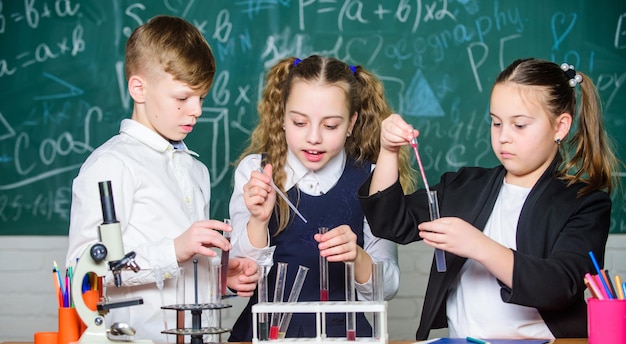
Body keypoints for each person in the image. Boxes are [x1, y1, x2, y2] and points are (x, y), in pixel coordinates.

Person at [358, 58, 621, 340]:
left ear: (560, 127)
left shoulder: (585, 202)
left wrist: (478, 245)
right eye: (496, 123)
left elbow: (560, 285)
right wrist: (387, 150)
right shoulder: (464, 187)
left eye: (519, 125)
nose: (504, 137)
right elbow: (389, 222)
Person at [65, 15, 258, 341]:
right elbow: (82, 272)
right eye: (183, 98)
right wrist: (174, 249)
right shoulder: (111, 166)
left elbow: (181, 270)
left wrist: (217, 279)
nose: (196, 110)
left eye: (202, 98)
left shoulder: (195, 170)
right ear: (139, 88)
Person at [227, 55, 417, 340]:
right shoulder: (256, 172)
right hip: (265, 335)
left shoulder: (374, 177)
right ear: (282, 117)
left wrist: (358, 257)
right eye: (300, 122)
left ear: (351, 123)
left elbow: (387, 287)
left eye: (330, 126)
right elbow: (239, 276)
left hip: (344, 336)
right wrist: (258, 220)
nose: (314, 137)